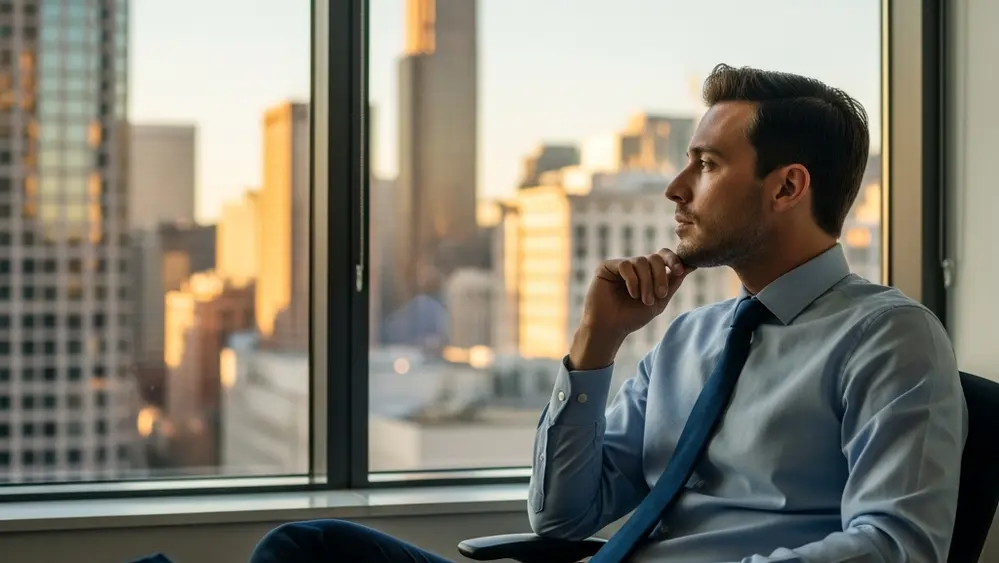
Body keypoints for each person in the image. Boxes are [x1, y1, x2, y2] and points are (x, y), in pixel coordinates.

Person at [247, 64, 967, 563]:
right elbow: (561, 517)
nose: (675, 188)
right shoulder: (690, 337)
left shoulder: (887, 337)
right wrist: (595, 344)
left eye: (707, 164)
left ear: (786, 188)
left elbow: (895, 545)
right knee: (310, 547)